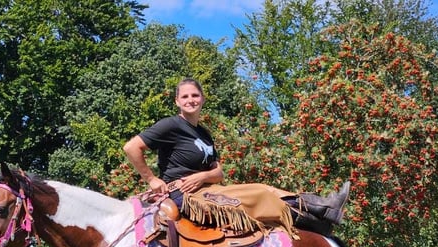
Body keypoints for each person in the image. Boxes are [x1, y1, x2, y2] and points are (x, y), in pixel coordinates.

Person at [123, 78, 348, 236]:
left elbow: (218, 172)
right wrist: (152, 179)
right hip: (183, 195)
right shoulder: (171, 125)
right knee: (257, 195)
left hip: (207, 188)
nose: (190, 99)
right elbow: (132, 147)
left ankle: (323, 210)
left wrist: (202, 177)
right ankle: (320, 215)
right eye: (185, 96)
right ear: (177, 101)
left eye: (195, 95)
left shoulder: (204, 133)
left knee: (263, 188)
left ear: (202, 99)